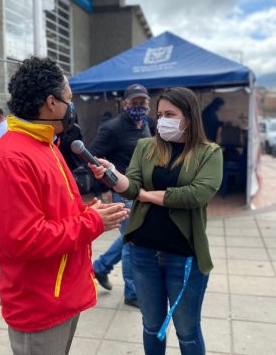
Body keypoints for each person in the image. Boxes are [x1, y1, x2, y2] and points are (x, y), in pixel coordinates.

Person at [0, 56, 129, 355]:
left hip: (61, 294)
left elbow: (56, 213)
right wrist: (93, 223)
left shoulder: (46, 144)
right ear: (51, 102)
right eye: (69, 100)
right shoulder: (10, 159)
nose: (72, 108)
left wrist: (88, 212)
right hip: (39, 304)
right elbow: (24, 239)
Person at [89, 87, 223, 355]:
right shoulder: (146, 146)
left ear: (189, 116)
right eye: (160, 114)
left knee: (187, 331)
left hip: (184, 257)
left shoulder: (209, 153)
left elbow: (196, 195)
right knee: (151, 326)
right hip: (143, 253)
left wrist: (145, 195)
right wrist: (113, 174)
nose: (162, 120)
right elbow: (130, 186)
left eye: (170, 114)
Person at [90, 83, 152, 308]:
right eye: (134, 102)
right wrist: (105, 188)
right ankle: (132, 292)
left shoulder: (146, 125)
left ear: (148, 104)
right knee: (132, 242)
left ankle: (99, 268)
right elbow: (94, 158)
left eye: (142, 102)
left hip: (142, 192)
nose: (138, 106)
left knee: (128, 237)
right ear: (124, 104)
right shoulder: (112, 128)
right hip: (123, 192)